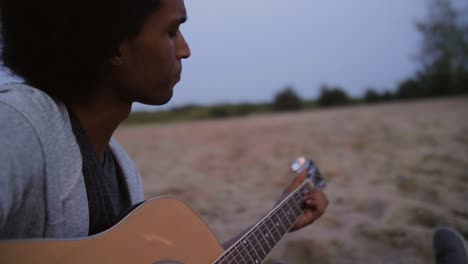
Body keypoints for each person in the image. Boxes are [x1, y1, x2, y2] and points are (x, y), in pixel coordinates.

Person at [0, 0, 328, 247]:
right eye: (171, 31)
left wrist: (278, 221)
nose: (184, 50)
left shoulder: (123, 172)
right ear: (113, 44)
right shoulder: (21, 125)